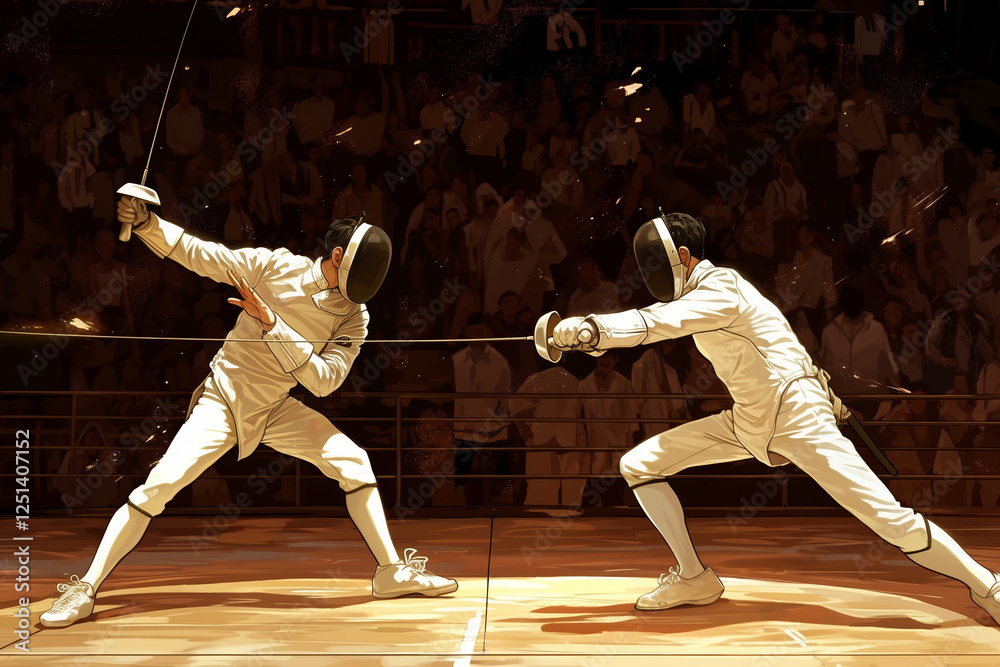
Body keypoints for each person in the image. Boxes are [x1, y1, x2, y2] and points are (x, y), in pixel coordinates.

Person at [549, 211, 1000, 622]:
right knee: (639, 464)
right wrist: (593, 337)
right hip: (751, 419)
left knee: (890, 520)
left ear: (683, 257)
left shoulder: (720, 286)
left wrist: (594, 328)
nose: (650, 274)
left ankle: (988, 586)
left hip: (795, 414)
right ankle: (694, 577)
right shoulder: (713, 294)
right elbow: (769, 340)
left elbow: (659, 322)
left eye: (653, 262)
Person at [40, 200, 457, 628]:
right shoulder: (276, 267)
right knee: (159, 486)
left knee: (353, 461)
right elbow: (203, 254)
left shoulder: (355, 318)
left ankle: (389, 571)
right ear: (337, 256)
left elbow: (325, 381)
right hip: (225, 397)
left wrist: (273, 324)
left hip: (275, 406)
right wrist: (148, 224)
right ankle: (85, 587)